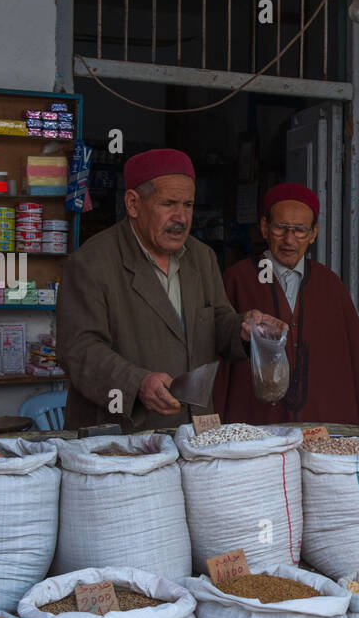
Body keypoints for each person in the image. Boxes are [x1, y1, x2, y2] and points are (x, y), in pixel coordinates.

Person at [58, 148, 283, 432]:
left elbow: (217, 320)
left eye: (188, 205)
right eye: (168, 204)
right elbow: (79, 350)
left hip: (193, 430)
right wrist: (137, 383)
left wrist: (243, 328)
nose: (181, 218)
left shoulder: (201, 257)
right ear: (133, 204)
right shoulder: (92, 263)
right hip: (123, 436)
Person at [214, 183, 359, 426]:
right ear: (264, 228)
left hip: (321, 424)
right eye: (280, 228)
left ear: (313, 233)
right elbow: (217, 354)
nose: (289, 240)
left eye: (300, 230)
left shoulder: (329, 284)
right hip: (255, 423)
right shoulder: (238, 279)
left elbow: (357, 360)